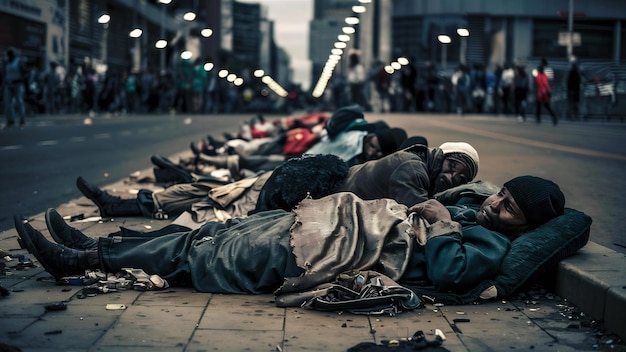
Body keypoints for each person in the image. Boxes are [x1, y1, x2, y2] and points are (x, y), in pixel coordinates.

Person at [15, 175, 565, 298]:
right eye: (501, 195)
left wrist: (441, 225)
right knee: (212, 228)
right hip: (328, 224)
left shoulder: (495, 246)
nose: (496, 203)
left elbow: (449, 271)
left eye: (510, 207)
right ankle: (94, 248)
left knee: (202, 249)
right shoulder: (477, 211)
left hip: (331, 246)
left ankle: (82, 257)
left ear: (526, 224)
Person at [2, 47, 27, 129]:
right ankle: (10, 120)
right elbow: (4, 73)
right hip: (8, 84)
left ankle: (22, 119)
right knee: (8, 103)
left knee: (19, 101)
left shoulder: (18, 61)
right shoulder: (6, 62)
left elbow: (24, 72)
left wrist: (20, 79)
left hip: (17, 84)